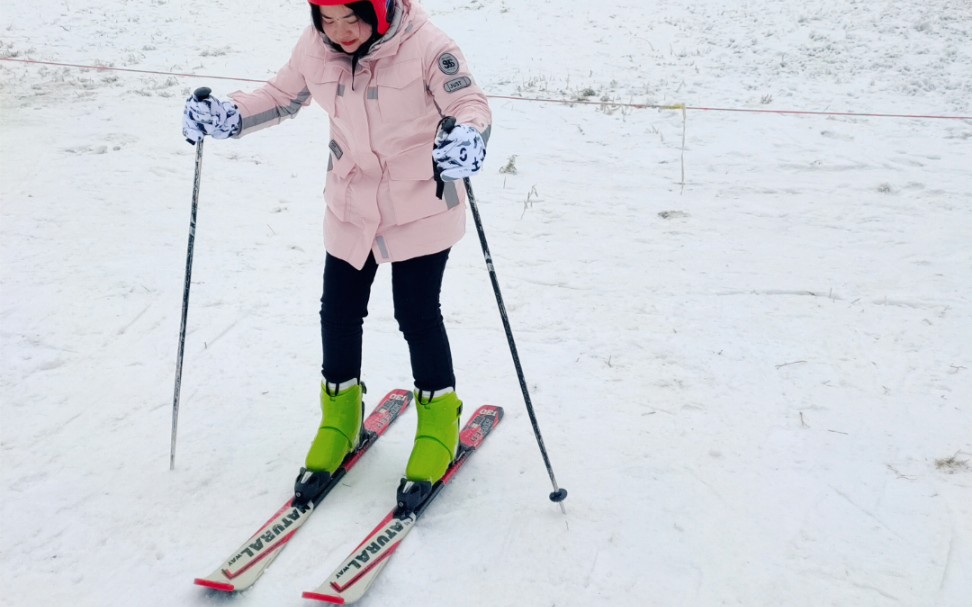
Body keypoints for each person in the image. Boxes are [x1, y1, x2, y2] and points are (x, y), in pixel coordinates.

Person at [182, 0, 491, 505]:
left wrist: (469, 137)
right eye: (327, 20)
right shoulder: (315, 47)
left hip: (421, 202)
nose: (340, 32)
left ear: (382, 11)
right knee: (339, 311)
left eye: (353, 19)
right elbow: (281, 95)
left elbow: (469, 103)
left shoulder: (428, 46)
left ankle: (439, 419)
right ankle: (340, 417)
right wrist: (230, 113)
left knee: (416, 312)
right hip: (351, 201)